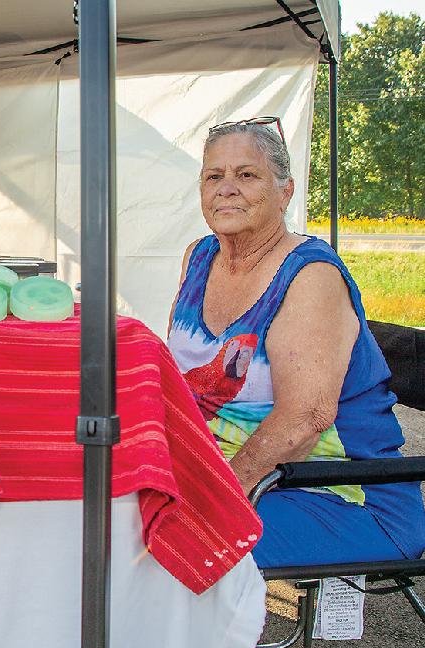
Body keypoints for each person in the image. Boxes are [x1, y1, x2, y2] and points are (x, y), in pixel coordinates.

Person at [167, 116, 425, 568]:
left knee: (154, 547)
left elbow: (302, 422)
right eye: (214, 176)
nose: (226, 188)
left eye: (246, 175)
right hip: (226, 472)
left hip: (333, 490)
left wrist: (205, 500)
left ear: (285, 191)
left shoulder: (310, 276)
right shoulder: (199, 257)